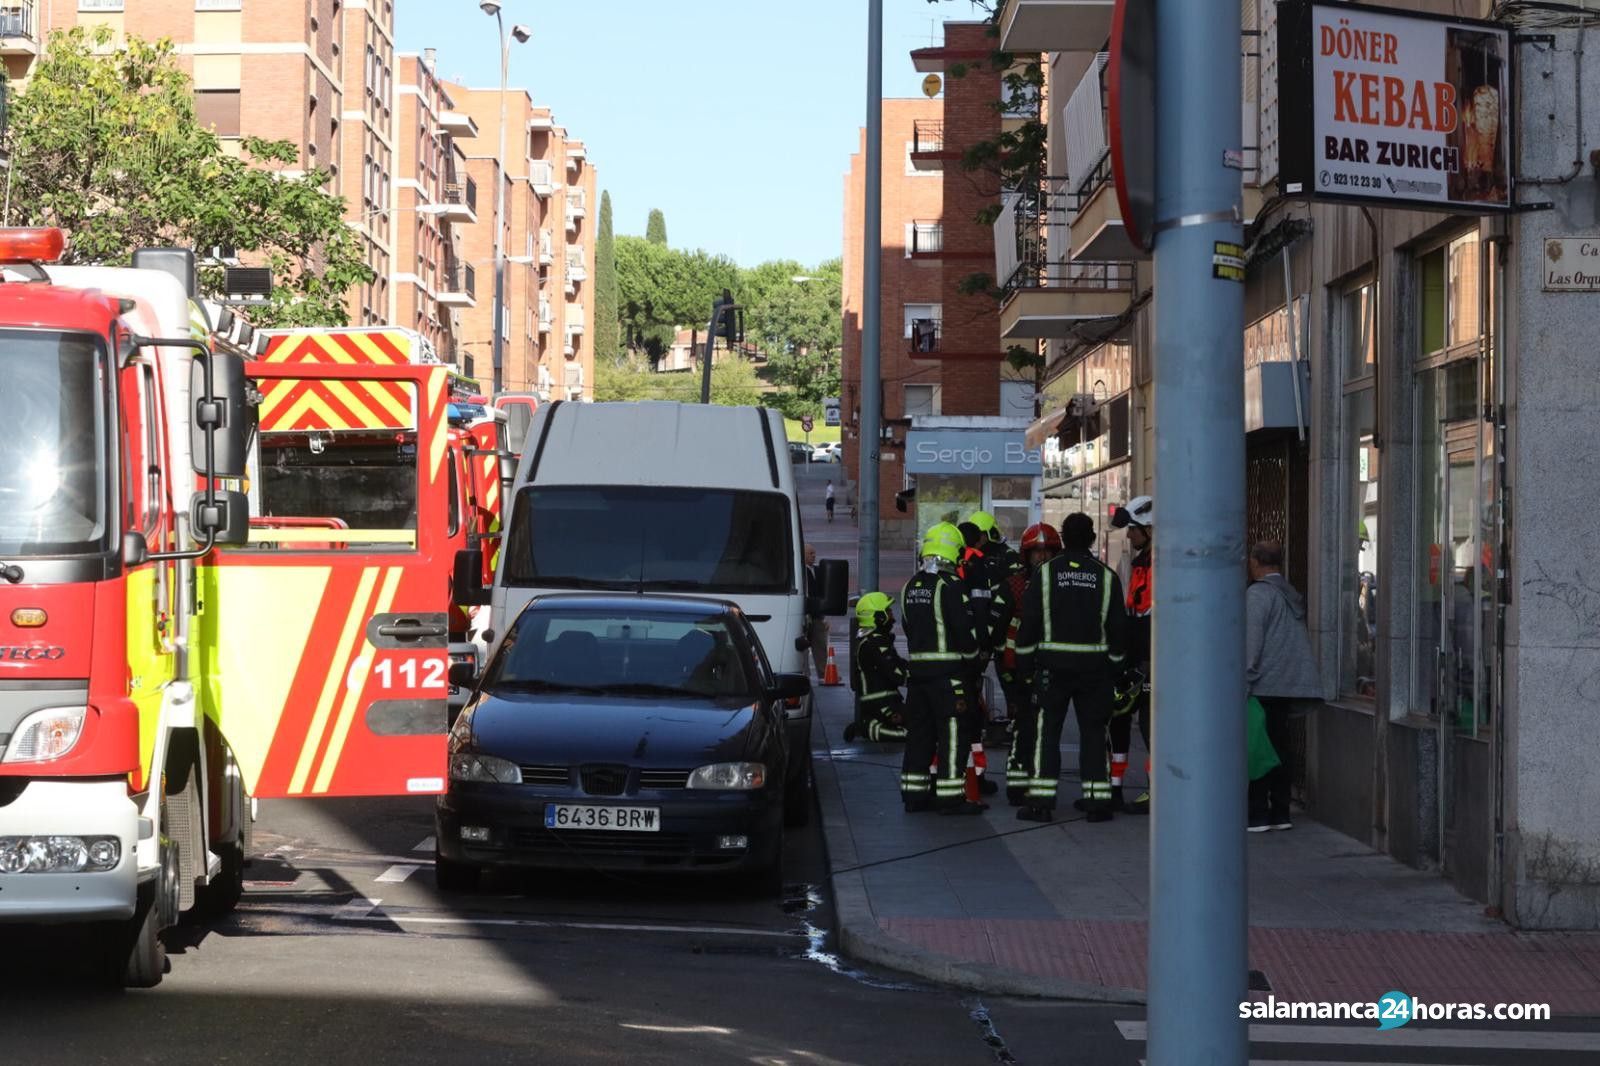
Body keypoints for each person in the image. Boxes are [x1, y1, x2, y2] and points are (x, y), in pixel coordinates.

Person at [1013, 512, 1128, 823]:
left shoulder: (1046, 574)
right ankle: (1097, 802)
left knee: (1046, 733)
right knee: (1093, 734)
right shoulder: (1106, 576)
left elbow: (1030, 623)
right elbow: (1119, 627)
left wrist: (1023, 666)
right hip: (1095, 671)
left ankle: (1040, 802)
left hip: (1052, 669)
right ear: (1092, 539)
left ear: (1062, 538)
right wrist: (1115, 666)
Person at [899, 522, 984, 815]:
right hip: (948, 676)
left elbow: (908, 628)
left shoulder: (910, 586)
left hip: (918, 676)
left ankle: (913, 795)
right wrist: (974, 659)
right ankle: (949, 798)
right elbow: (964, 631)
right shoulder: (951, 586)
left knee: (919, 735)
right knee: (951, 735)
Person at [1246, 541, 1321, 832]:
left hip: (1263, 685)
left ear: (1255, 562)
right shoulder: (1289, 594)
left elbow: (1251, 644)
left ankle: (1257, 813)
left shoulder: (1258, 595)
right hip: (1287, 684)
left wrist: (1244, 681)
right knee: (1279, 747)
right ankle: (1280, 811)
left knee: (1258, 749)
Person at [1002, 522, 1062, 805]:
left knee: (1044, 729)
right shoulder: (1014, 583)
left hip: (1048, 665)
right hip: (1017, 666)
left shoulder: (1059, 583)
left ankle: (1035, 781)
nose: (1041, 557)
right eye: (1035, 552)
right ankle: (1017, 784)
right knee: (1023, 725)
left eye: (1046, 551)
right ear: (1025, 555)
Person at [1108, 495, 1155, 815]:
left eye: (1134, 530)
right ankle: (1114, 788)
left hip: (1154, 661)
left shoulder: (1161, 564)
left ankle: (1159, 792)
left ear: (1150, 529)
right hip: (1135, 658)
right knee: (1119, 720)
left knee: (1154, 728)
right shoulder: (1139, 563)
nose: (1128, 536)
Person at [845, 592, 908, 743]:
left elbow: (898, 663)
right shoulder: (875, 642)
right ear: (878, 616)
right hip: (881, 703)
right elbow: (896, 673)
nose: (892, 616)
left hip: (886, 699)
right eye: (888, 611)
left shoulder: (876, 640)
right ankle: (868, 728)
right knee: (917, 733)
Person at [803, 544, 828, 677]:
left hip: (817, 615)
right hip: (805, 614)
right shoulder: (799, 571)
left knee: (820, 645)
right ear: (803, 555)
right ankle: (804, 673)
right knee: (803, 648)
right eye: (810, 553)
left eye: (814, 553)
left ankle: (823, 672)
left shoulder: (818, 570)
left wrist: (825, 616)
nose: (813, 556)